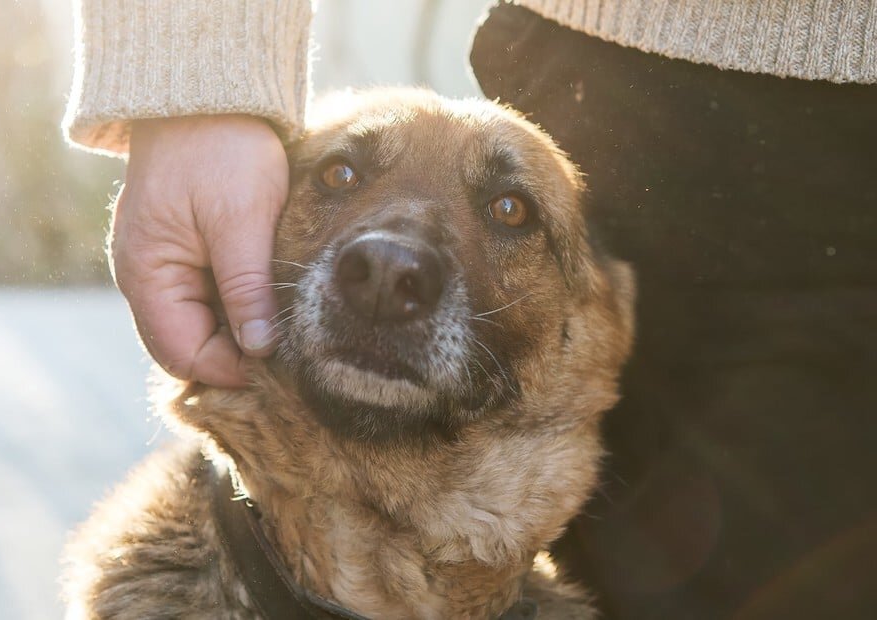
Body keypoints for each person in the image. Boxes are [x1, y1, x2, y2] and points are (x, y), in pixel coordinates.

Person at [64, 1, 877, 617]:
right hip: (617, 78)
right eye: (341, 178)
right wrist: (197, 85)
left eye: (509, 212)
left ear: (602, 322)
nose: (390, 261)